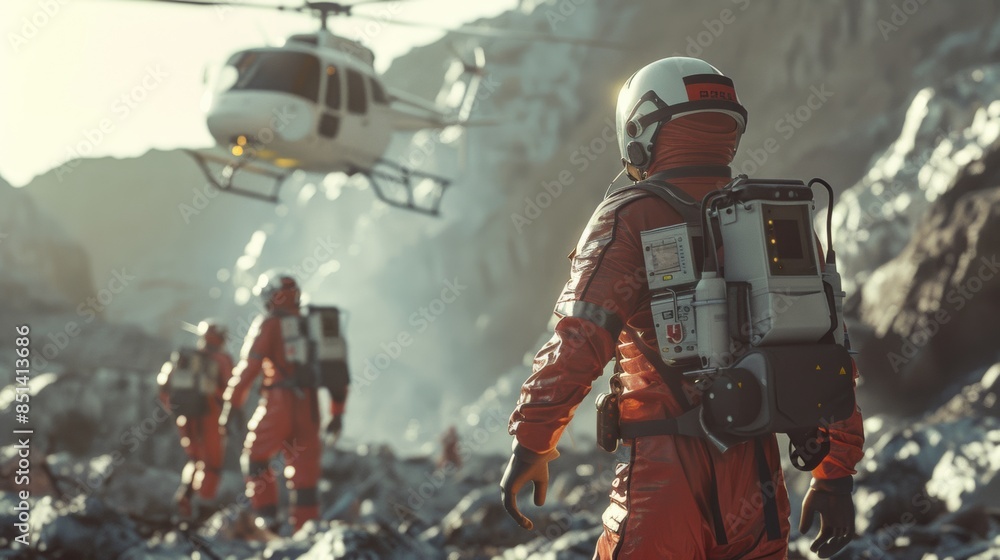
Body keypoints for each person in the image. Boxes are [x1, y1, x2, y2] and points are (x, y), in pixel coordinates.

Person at [500, 57, 865, 559]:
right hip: (758, 491)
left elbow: (580, 340)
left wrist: (532, 441)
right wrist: (834, 476)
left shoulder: (629, 217)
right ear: (729, 132)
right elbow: (827, 351)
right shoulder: (771, 216)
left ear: (639, 133)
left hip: (664, 484)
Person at [221, 271, 339, 533]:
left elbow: (249, 368)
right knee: (305, 476)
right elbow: (336, 373)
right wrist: (337, 413)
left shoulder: (269, 324)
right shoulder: (316, 326)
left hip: (278, 403)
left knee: (255, 458)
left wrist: (232, 404)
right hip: (310, 407)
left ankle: (269, 520)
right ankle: (305, 534)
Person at [158, 319, 233, 520]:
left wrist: (178, 413)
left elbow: (164, 389)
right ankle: (202, 511)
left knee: (195, 460)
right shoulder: (222, 359)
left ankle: (185, 504)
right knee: (212, 465)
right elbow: (232, 391)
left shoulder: (184, 359)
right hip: (210, 418)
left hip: (186, 418)